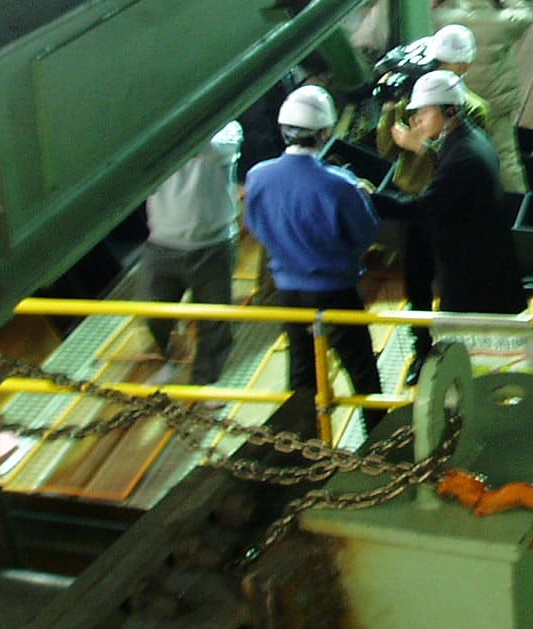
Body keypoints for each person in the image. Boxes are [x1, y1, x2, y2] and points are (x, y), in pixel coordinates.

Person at [244, 85, 383, 398]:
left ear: (283, 130)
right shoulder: (340, 185)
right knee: (361, 371)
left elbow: (256, 224)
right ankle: (376, 428)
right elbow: (365, 234)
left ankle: (302, 427)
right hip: (336, 291)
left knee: (302, 370)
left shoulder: (258, 176)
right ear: (324, 132)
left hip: (288, 291)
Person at [374, 27, 492, 380]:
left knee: (457, 281)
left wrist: (420, 147)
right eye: (438, 62)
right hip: (415, 205)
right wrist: (388, 110)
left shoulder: (473, 110)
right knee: (417, 282)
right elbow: (386, 150)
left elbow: (463, 164)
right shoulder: (415, 102)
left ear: (465, 67)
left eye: (450, 63)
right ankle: (422, 350)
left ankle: (465, 351)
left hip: (449, 208)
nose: (441, 69)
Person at [373, 70, 526, 333]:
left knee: (463, 337)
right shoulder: (469, 139)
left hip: (473, 273)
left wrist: (371, 199)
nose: (416, 120)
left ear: (450, 110)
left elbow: (423, 207)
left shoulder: (464, 157)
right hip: (478, 259)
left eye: (424, 112)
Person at [138, 120, 243, 384]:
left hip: (213, 245)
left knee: (214, 322)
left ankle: (206, 381)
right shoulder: (153, 134)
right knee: (154, 313)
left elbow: (213, 150)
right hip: (162, 243)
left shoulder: (229, 129)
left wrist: (173, 132)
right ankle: (172, 356)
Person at [433, 0, 533, 192]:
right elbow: (527, 13)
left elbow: (445, 5)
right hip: (496, 103)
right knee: (506, 158)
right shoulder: (504, 21)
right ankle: (517, 203)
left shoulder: (442, 18)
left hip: (461, 103)